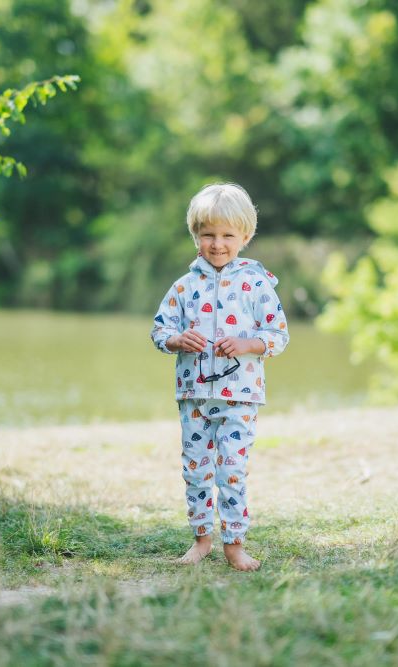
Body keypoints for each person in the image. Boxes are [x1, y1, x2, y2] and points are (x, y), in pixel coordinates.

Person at [150, 183, 289, 571]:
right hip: (194, 395)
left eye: (228, 235)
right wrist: (176, 340)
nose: (217, 244)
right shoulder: (184, 286)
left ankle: (235, 544)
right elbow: (159, 331)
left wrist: (248, 344)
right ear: (195, 235)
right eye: (208, 234)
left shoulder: (257, 285)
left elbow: (278, 335)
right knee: (196, 467)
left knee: (232, 469)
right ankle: (201, 540)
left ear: (245, 236)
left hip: (239, 396)